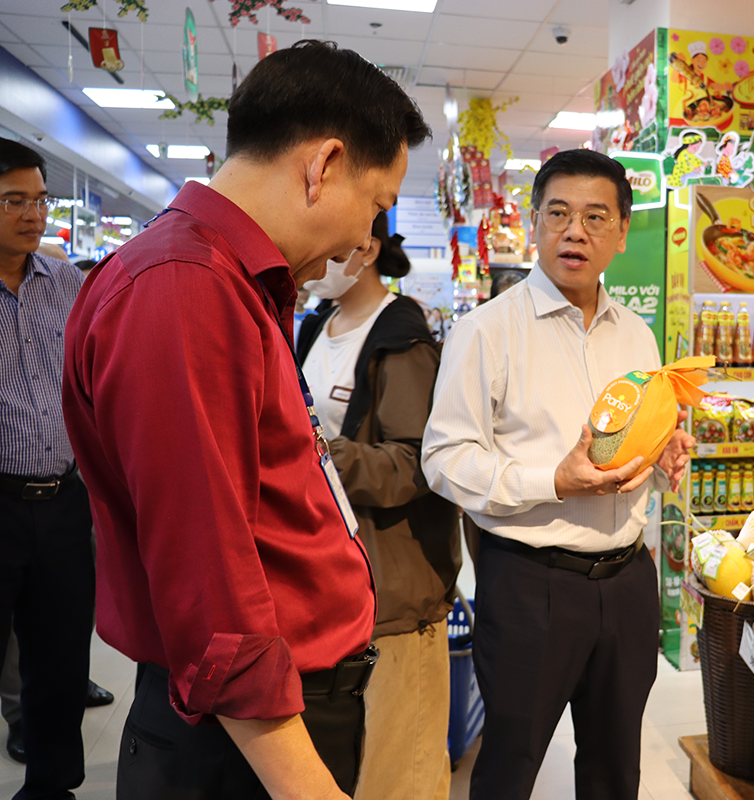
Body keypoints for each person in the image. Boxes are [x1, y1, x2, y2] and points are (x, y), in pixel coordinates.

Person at [61, 40, 432, 800]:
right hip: (242, 742)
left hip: (278, 713)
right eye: (376, 202)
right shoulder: (183, 290)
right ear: (322, 165)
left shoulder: (235, 284)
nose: (368, 236)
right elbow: (209, 591)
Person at [422, 149, 694, 800]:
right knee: (510, 768)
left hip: (628, 581)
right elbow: (444, 458)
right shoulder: (486, 330)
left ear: (623, 232)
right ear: (533, 220)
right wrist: (555, 481)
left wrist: (660, 459)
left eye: (596, 217)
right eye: (560, 214)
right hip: (530, 588)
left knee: (613, 769)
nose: (576, 232)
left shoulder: (638, 335)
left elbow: (632, 441)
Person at [296, 212, 459, 800]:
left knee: (402, 764)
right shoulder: (317, 326)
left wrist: (317, 452)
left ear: (363, 246)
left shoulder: (402, 339)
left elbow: (419, 464)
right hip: (333, 577)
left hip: (396, 586)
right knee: (350, 760)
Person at [0, 139, 96, 799]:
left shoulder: (68, 286)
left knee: (59, 664)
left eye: (39, 200)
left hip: (63, 503)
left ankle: (52, 788)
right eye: (14, 201)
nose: (34, 215)